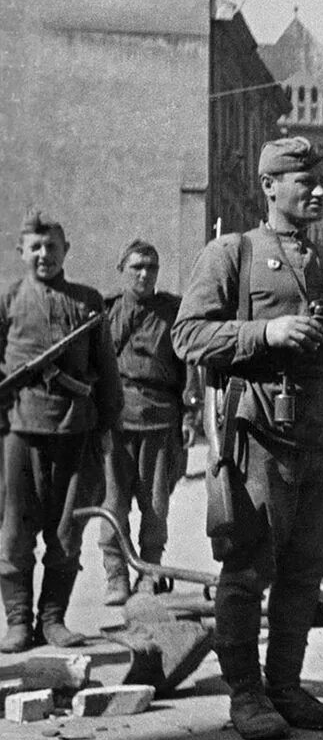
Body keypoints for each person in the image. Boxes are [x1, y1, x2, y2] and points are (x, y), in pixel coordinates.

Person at [173, 137, 323, 740]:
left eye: (319, 181)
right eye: (302, 180)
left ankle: (285, 684)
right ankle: (246, 694)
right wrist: (268, 331)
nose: (316, 190)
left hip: (320, 436)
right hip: (255, 435)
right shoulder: (231, 252)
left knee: (307, 568)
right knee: (247, 566)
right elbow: (188, 337)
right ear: (268, 186)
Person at [0, 212, 121, 652]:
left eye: (52, 247)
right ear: (21, 252)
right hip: (18, 432)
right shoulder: (9, 300)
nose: (44, 255)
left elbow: (107, 373)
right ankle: (17, 623)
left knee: (67, 532)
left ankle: (52, 619)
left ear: (66, 250)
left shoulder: (88, 302)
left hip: (75, 432)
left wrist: (108, 426)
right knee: (13, 533)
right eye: (35, 247)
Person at [98, 239, 191, 606]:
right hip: (116, 421)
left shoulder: (173, 312)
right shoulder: (106, 314)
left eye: (151, 267)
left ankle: (150, 575)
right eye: (137, 266)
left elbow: (190, 367)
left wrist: (191, 417)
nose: (144, 273)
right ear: (123, 269)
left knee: (155, 507)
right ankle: (116, 576)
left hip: (159, 418)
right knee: (113, 504)